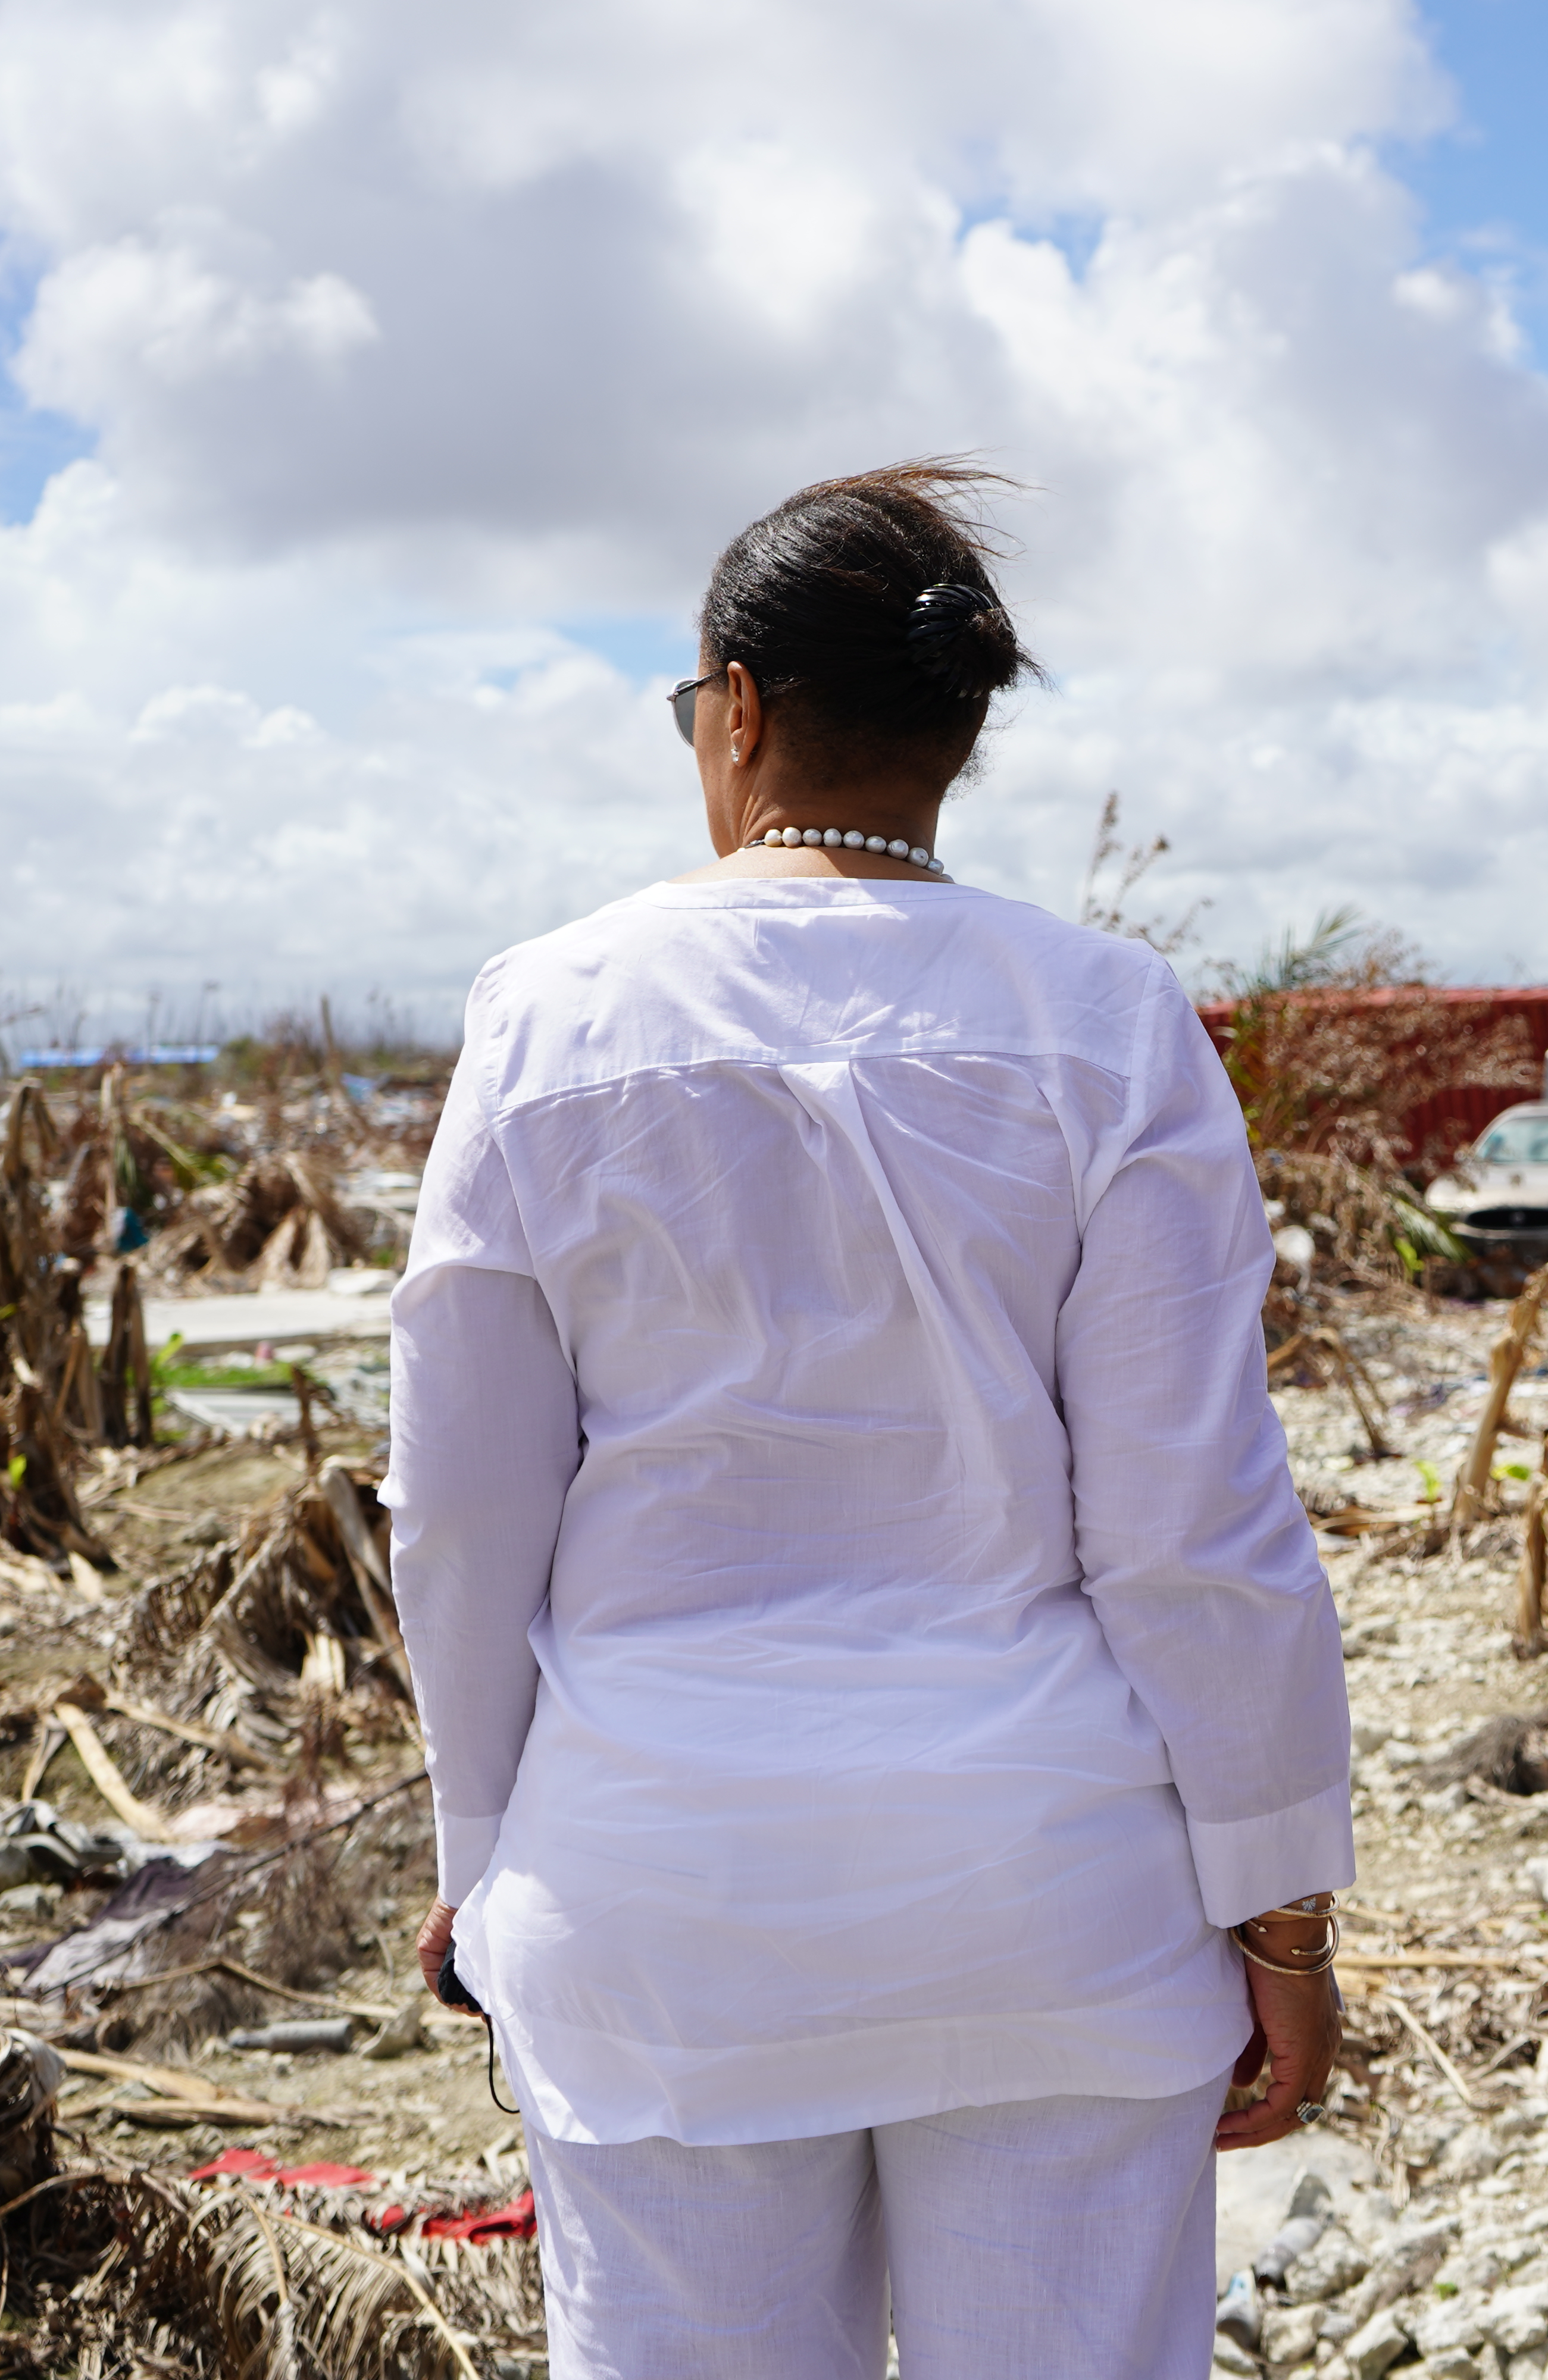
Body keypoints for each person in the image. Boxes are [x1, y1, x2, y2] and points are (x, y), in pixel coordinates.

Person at [386, 462, 1354, 2380]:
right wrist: (1286, 1916)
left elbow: (464, 1509)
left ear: (737, 706)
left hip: (664, 1899)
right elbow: (1190, 1528)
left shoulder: (550, 1016)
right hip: (1054, 1900)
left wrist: (482, 1852)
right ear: (961, 735)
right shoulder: (1108, 1019)